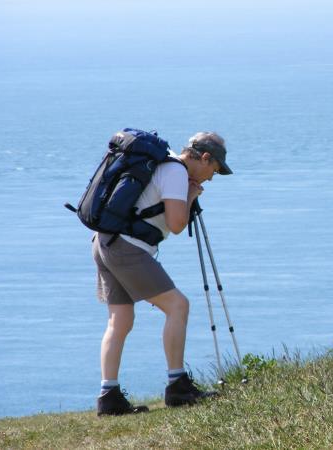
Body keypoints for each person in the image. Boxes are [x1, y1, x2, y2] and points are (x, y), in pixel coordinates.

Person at [92, 131, 232, 416]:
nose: (211, 178)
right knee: (178, 306)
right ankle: (177, 386)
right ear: (204, 158)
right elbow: (177, 224)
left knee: (120, 320)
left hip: (104, 240)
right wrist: (191, 194)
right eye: (213, 170)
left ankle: (109, 396)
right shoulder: (175, 173)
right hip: (127, 248)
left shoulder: (161, 163)